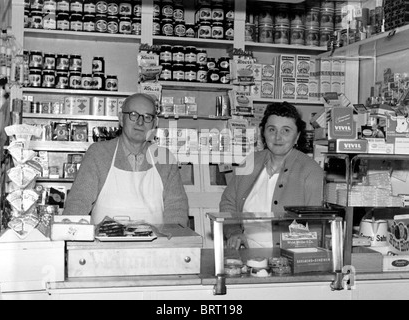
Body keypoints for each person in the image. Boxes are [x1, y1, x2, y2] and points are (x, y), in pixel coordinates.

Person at [63, 93, 189, 227]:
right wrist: (70, 235)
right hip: (104, 246)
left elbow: (177, 209)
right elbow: (78, 203)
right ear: (121, 119)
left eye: (147, 117)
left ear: (154, 124)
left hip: (155, 245)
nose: (140, 122)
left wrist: (172, 243)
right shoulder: (98, 154)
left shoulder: (165, 158)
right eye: (133, 115)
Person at [220, 102, 324, 249]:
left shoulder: (311, 172)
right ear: (263, 133)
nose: (277, 137)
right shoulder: (249, 162)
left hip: (290, 259)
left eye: (286, 131)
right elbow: (228, 203)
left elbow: (317, 227)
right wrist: (234, 232)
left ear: (297, 136)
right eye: (272, 129)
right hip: (246, 255)